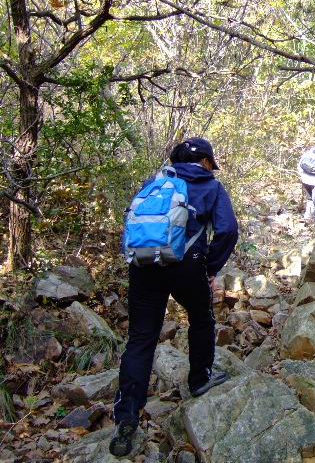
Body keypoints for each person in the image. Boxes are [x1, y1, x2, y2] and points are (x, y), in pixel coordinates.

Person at [110, 137, 238, 457]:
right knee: (201, 318)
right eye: (211, 163)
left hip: (144, 265)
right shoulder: (211, 187)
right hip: (187, 266)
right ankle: (199, 379)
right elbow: (227, 230)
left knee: (141, 338)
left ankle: (127, 417)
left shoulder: (155, 181)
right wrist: (211, 266)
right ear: (206, 162)